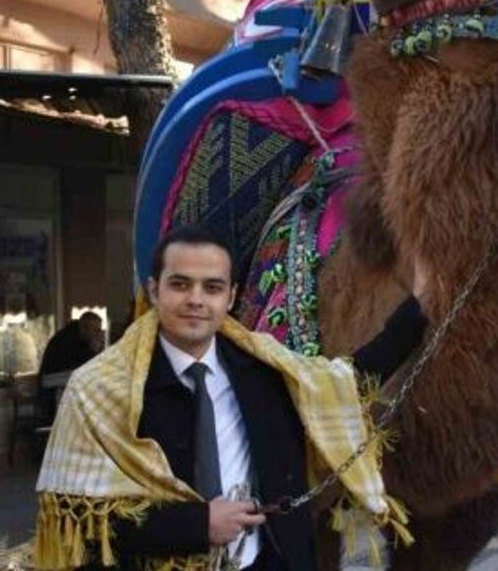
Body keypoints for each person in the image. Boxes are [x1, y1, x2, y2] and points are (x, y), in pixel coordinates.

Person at [33, 226, 426, 570]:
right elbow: (82, 521)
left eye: (213, 287)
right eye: (180, 284)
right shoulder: (98, 391)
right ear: (154, 290)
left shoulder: (264, 369)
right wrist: (197, 525)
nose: (196, 300)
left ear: (231, 296)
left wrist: (422, 303)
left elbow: (348, 380)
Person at [38, 311, 106, 419]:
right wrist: (94, 350)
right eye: (96, 331)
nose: (99, 334)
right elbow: (84, 367)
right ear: (85, 328)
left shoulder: (76, 337)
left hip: (56, 384)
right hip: (51, 389)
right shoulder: (67, 340)